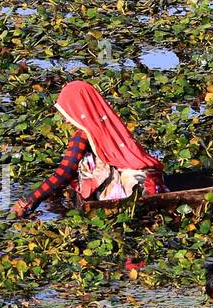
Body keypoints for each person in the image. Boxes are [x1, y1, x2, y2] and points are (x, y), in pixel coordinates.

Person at [11, 81, 166, 216]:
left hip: (129, 192)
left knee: (83, 164)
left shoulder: (83, 135)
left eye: (67, 112)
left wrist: (29, 200)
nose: (66, 119)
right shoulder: (109, 124)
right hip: (153, 183)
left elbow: (64, 173)